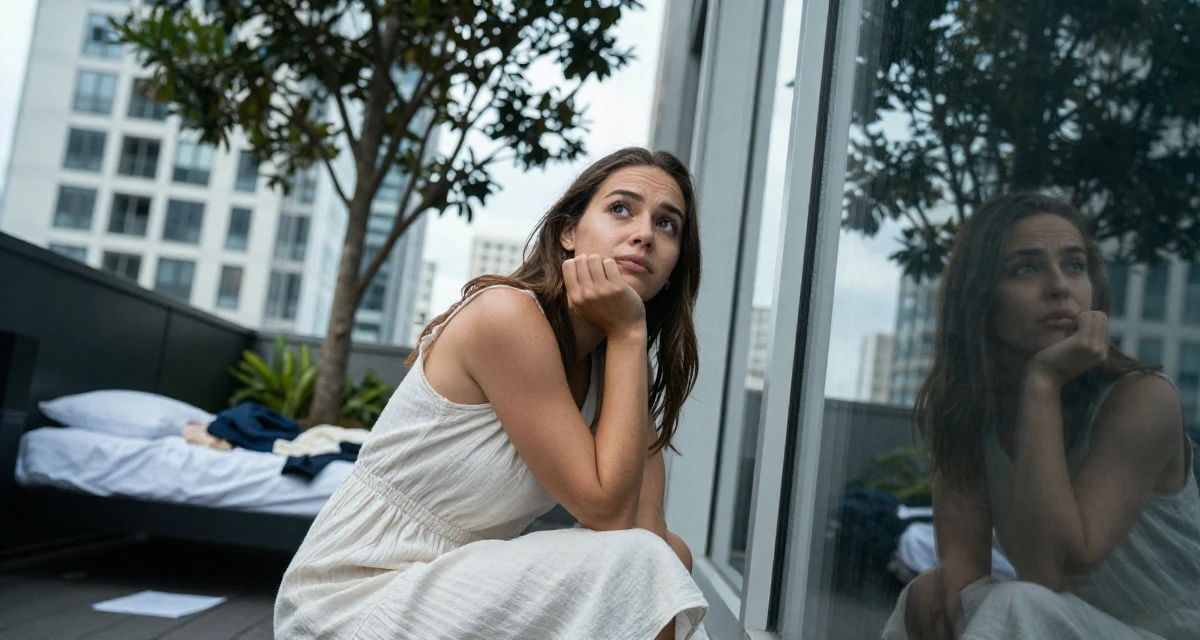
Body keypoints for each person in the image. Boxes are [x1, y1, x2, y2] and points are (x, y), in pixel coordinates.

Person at [274, 147, 709, 640]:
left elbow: (644, 534)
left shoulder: (617, 371)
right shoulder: (507, 316)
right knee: (644, 563)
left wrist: (626, 345)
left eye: (667, 225)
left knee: (672, 555)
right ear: (568, 232)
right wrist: (630, 331)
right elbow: (608, 514)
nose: (644, 234)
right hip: (355, 596)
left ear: (674, 268)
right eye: (620, 209)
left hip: (456, 589)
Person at [881, 192, 1200, 639]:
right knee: (927, 594)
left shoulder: (1142, 399)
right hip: (1065, 626)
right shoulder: (967, 412)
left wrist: (1043, 383)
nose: (1059, 286)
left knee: (1019, 603)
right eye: (1025, 268)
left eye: (1074, 265)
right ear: (981, 298)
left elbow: (1050, 570)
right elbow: (962, 573)